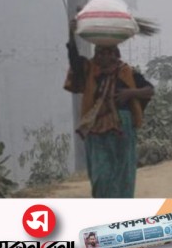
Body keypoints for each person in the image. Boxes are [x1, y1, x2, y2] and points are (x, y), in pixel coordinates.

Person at [64, 19, 154, 198]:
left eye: (109, 53)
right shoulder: (89, 70)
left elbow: (149, 90)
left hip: (122, 129)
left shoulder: (126, 72)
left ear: (115, 54)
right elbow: (74, 60)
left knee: (123, 173)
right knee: (101, 175)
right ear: (96, 55)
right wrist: (71, 35)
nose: (105, 57)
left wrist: (130, 93)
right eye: (101, 53)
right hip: (96, 129)